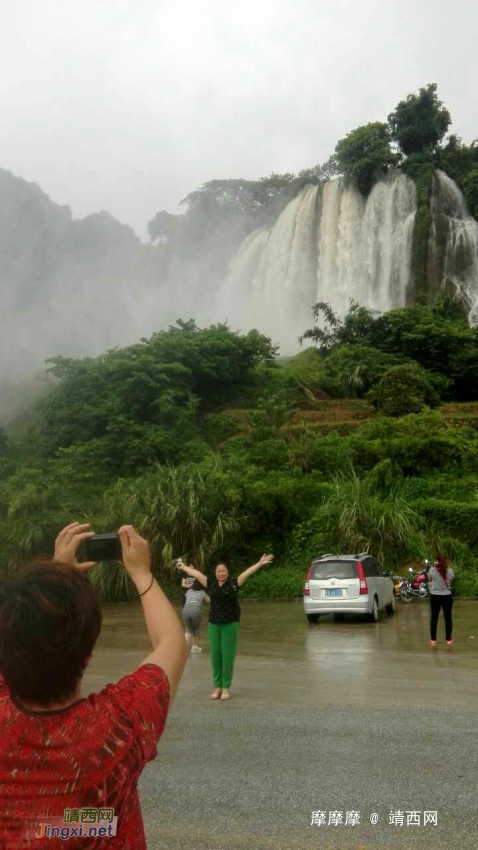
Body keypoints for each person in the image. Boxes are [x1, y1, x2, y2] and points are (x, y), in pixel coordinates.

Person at [0, 522, 187, 848]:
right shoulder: (116, 728)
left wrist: (55, 578)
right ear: (88, 654)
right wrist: (141, 573)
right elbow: (171, 641)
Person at [178, 554, 273, 701]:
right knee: (216, 656)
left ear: (227, 572)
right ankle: (217, 687)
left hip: (230, 625)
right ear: (215, 573)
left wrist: (259, 563)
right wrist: (183, 567)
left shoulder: (234, 584)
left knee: (227, 656)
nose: (221, 573)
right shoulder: (211, 584)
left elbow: (247, 573)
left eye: (223, 571)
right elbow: (197, 574)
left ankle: (226, 688)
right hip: (214, 624)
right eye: (218, 571)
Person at [428, 553, 455, 648]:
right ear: (446, 561)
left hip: (435, 596)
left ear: (437, 561)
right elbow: (451, 579)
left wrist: (436, 567)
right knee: (448, 618)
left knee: (434, 618)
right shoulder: (450, 571)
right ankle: (448, 639)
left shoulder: (432, 570)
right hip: (447, 596)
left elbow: (429, 578)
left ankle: (433, 640)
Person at [182, 579, 210, 652]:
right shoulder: (202, 592)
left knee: (188, 629)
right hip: (196, 610)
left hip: (185, 610)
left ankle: (183, 647)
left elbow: (186, 597)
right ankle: (194, 647)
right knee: (196, 628)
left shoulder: (188, 591)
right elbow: (209, 601)